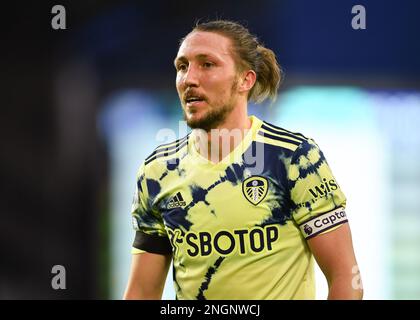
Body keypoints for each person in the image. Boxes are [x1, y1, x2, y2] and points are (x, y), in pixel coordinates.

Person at [123, 19, 363, 300]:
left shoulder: (293, 157)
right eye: (182, 66)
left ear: (245, 79)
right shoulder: (158, 171)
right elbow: (141, 291)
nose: (189, 79)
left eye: (207, 64)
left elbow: (346, 276)